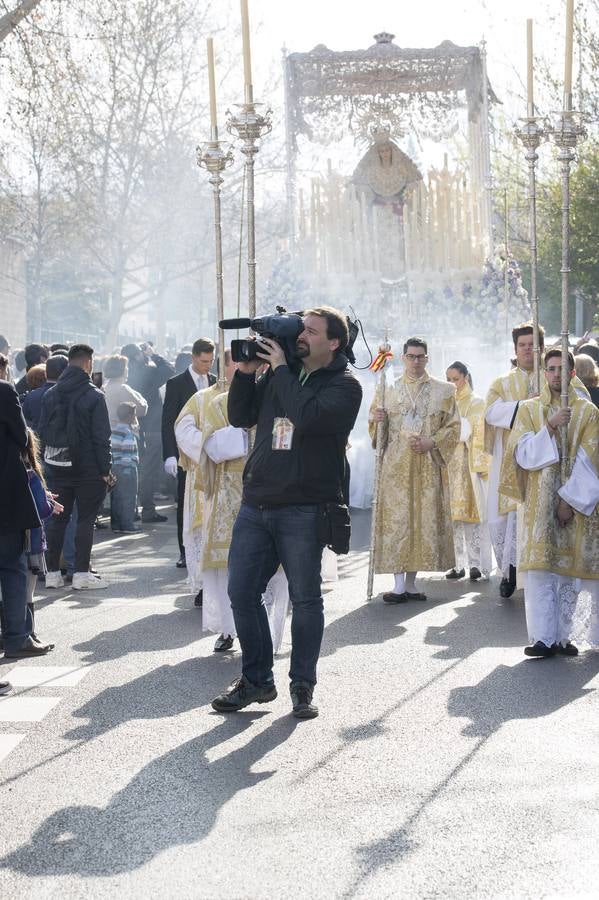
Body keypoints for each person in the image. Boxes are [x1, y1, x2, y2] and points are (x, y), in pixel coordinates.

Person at [211, 306, 362, 719]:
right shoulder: (281, 373)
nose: (301, 336)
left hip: (305, 507)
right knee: (241, 592)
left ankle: (302, 685)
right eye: (302, 329)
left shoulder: (346, 386)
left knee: (306, 599)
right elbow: (241, 416)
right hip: (258, 501)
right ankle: (257, 681)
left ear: (334, 342)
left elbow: (307, 417)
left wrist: (280, 371)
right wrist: (245, 373)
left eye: (311, 331)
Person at [175, 351, 289, 652]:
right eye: (233, 363)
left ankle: (270, 634)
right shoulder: (212, 403)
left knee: (272, 569)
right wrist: (241, 438)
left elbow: (285, 442)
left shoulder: (281, 395)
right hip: (228, 496)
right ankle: (229, 629)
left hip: (269, 490)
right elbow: (208, 446)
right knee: (229, 570)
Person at [499, 349, 599, 656]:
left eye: (562, 368)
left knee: (568, 570)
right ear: (545, 373)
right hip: (540, 502)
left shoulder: (589, 412)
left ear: (572, 373)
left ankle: (564, 637)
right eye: (551, 368)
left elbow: (592, 458)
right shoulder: (530, 409)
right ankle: (543, 637)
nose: (556, 374)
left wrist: (569, 500)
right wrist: (551, 427)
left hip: (576, 504)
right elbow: (520, 453)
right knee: (542, 568)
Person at [485, 323, 589, 598]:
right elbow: (490, 414)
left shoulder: (559, 376)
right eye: (523, 345)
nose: (529, 350)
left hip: (558, 463)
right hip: (520, 462)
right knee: (511, 523)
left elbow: (584, 406)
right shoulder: (502, 383)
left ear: (542, 348)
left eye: (534, 345)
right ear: (515, 349)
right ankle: (510, 571)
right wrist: (523, 405)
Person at [369, 337, 460, 604]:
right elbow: (378, 436)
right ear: (403, 358)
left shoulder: (445, 390)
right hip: (396, 466)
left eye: (420, 356)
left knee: (422, 520)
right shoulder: (388, 390)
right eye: (411, 356)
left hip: (427, 464)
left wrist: (433, 441)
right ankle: (397, 585)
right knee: (399, 521)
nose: (416, 361)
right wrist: (376, 421)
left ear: (427, 359)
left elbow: (454, 427)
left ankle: (410, 583)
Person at [39, 344, 112, 590]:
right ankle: (81, 574)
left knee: (58, 519)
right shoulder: (95, 395)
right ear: (88, 364)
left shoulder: (51, 394)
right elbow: (102, 438)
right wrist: (105, 470)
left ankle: (52, 575)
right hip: (89, 467)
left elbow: (41, 432)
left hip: (57, 465)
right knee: (86, 519)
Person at [0, 377, 53, 663]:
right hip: (5, 498)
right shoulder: (4, 390)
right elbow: (22, 437)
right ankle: (16, 637)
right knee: (12, 568)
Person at [162, 338, 215, 568]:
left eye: (211, 361)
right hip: (187, 455)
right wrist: (170, 454)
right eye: (204, 361)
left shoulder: (215, 381)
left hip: (212, 451)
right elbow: (168, 422)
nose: (208, 366)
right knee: (185, 502)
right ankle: (185, 551)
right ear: (194, 357)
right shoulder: (176, 384)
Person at [445, 361, 492, 581]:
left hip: (469, 467)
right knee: (452, 518)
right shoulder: (445, 402)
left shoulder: (476, 402)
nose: (452, 384)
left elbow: (468, 431)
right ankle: (457, 564)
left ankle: (476, 564)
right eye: (449, 380)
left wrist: (453, 428)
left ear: (466, 377)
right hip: (447, 466)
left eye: (456, 379)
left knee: (473, 518)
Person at [121, 342, 174, 523]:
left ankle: (131, 509)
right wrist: (153, 355)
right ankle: (148, 510)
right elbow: (168, 369)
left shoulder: (124, 376)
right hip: (151, 425)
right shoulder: (149, 371)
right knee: (148, 469)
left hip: (129, 428)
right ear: (138, 355)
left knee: (132, 468)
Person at [110, 402, 140, 534]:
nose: (135, 416)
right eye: (134, 414)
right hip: (127, 469)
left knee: (116, 497)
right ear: (129, 416)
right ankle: (128, 525)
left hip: (115, 468)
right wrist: (127, 469)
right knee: (129, 497)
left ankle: (116, 524)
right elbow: (127, 452)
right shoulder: (128, 432)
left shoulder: (114, 430)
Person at [22, 354, 68, 432]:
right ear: (66, 373)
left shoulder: (31, 396)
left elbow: (24, 421)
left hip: (37, 440)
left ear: (45, 373)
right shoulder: (71, 395)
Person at [103, 355, 148, 428]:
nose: (128, 369)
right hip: (124, 433)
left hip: (108, 429)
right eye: (126, 367)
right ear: (122, 370)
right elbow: (141, 409)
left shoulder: (104, 387)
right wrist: (142, 399)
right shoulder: (122, 389)